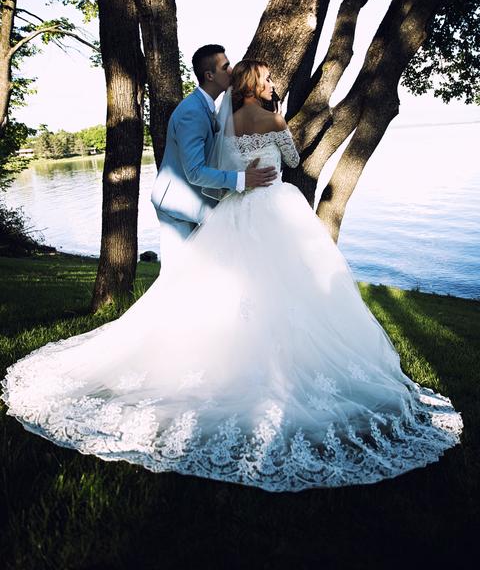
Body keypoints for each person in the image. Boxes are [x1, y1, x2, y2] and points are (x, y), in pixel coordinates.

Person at [1, 60, 462, 493]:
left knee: (231, 286)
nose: (272, 84)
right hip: (276, 208)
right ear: (256, 85)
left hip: (239, 208)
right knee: (286, 286)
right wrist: (279, 123)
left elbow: (222, 168)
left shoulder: (229, 121)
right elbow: (293, 162)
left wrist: (245, 172)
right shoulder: (273, 119)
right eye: (268, 79)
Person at [151, 44, 276, 269]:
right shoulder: (192, 112)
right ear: (210, 75)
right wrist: (242, 179)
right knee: (178, 276)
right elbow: (195, 172)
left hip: (196, 201)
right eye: (225, 66)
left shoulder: (207, 106)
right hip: (177, 205)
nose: (232, 71)